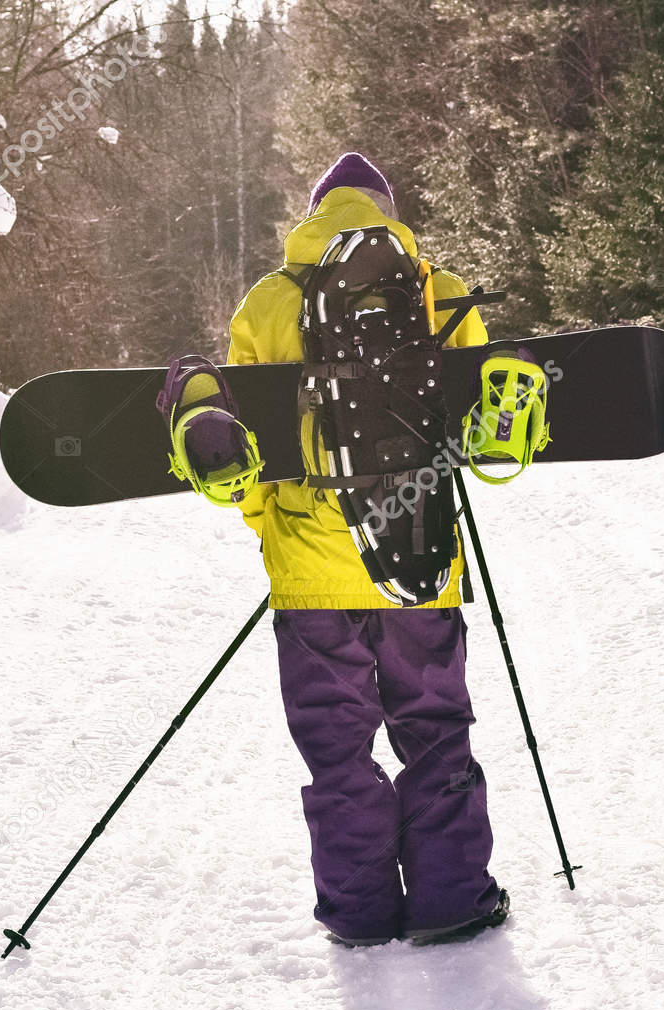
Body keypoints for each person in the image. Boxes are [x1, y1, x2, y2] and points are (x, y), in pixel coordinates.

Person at [226, 153, 509, 947]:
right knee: (436, 729)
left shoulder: (268, 303)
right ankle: (454, 898)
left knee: (337, 746)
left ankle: (358, 913)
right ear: (387, 209)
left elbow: (245, 455)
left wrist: (277, 534)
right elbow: (472, 428)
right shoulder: (439, 289)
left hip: (313, 577)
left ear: (316, 212)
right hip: (419, 559)